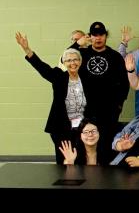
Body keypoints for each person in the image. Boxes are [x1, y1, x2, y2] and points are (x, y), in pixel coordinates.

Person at [16, 32, 88, 164]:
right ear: (64, 63)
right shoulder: (59, 76)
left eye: (75, 59)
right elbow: (41, 67)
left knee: (81, 161)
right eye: (68, 60)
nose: (72, 63)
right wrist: (26, 49)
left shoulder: (87, 79)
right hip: (61, 129)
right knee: (65, 162)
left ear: (80, 61)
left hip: (82, 128)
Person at [70, 21, 129, 147]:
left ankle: (106, 166)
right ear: (89, 36)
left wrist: (119, 105)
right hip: (85, 109)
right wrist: (77, 44)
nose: (98, 38)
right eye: (95, 35)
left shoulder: (115, 56)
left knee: (107, 141)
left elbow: (124, 83)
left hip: (109, 110)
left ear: (106, 36)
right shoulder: (81, 55)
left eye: (101, 35)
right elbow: (65, 59)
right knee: (85, 141)